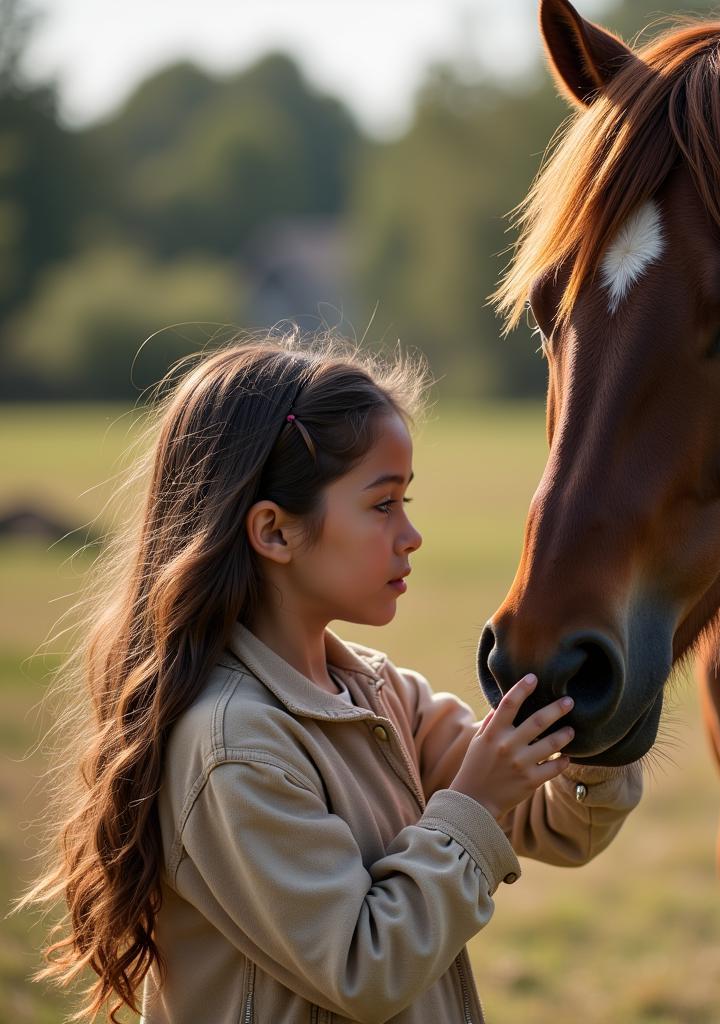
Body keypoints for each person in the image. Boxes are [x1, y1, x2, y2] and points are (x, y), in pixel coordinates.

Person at [20, 333, 643, 1024]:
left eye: (407, 501)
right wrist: (472, 802)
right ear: (275, 532)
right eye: (383, 505)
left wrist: (603, 718)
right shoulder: (233, 747)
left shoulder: (382, 696)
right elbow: (363, 968)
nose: (411, 535)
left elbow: (565, 826)